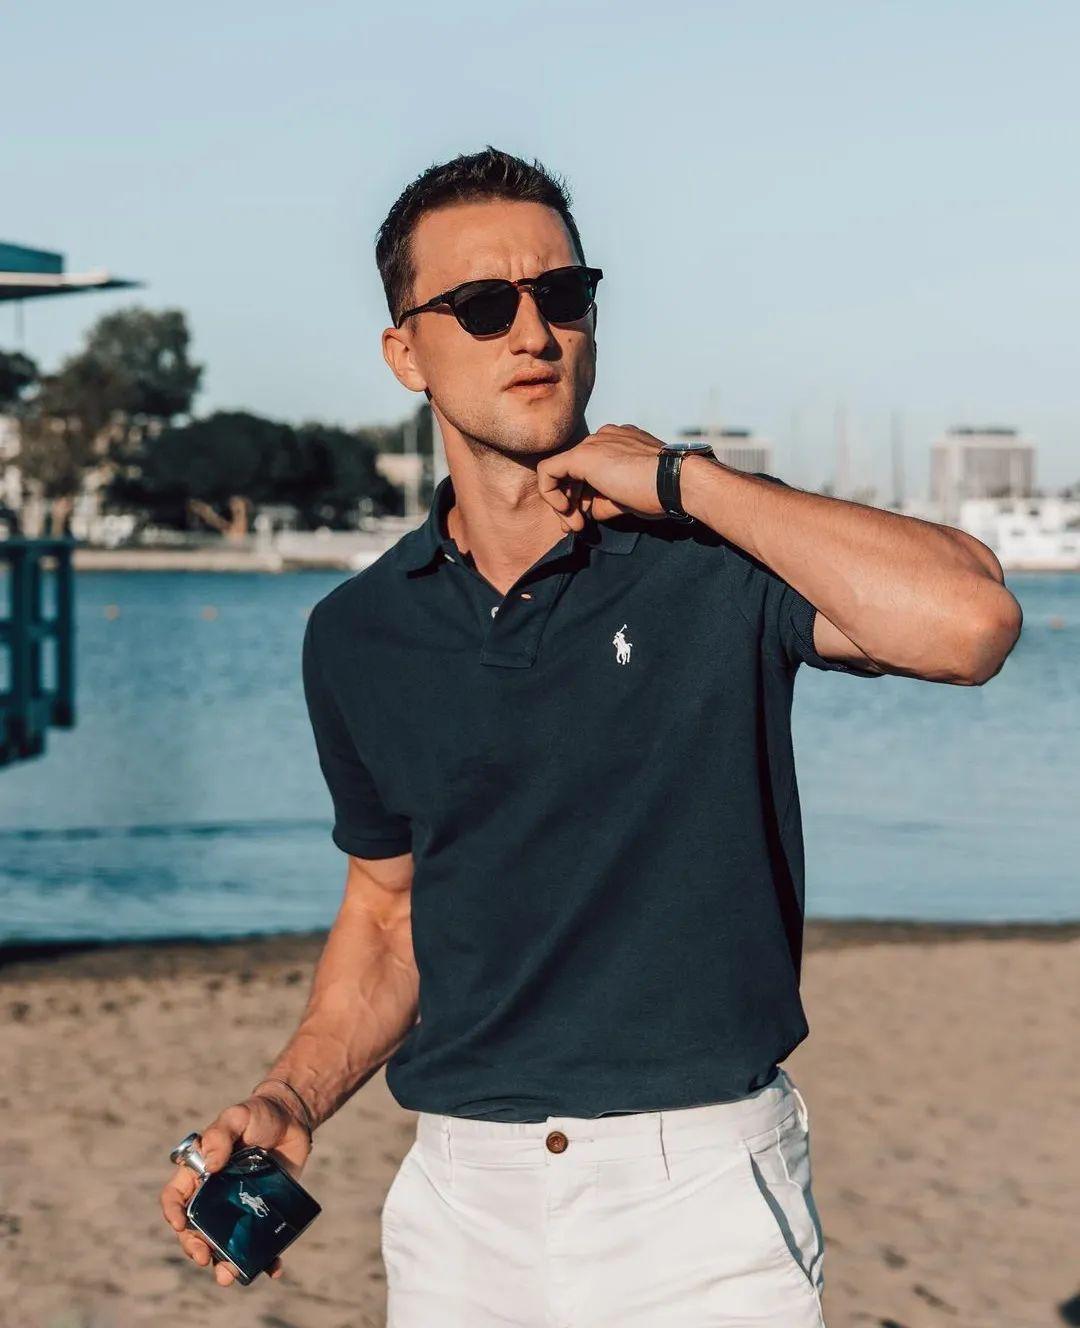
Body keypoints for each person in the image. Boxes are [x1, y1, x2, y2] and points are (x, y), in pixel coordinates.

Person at [160, 146, 1022, 1324]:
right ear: (406, 353)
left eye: (562, 294)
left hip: (702, 1191)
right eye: (483, 304)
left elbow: (972, 623)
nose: (533, 332)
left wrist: (684, 479)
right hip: (461, 1205)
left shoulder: (713, 561)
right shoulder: (358, 632)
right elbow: (392, 912)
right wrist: (290, 1097)